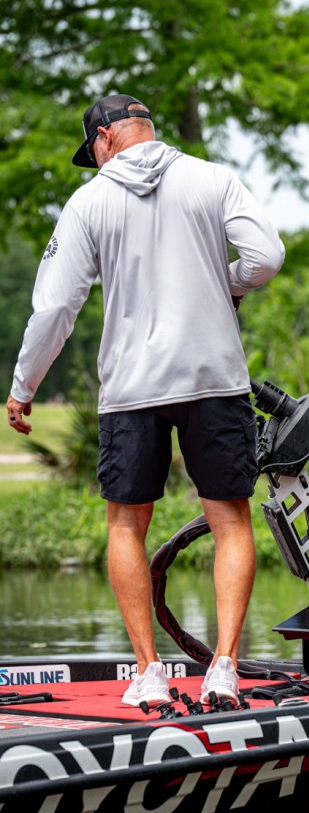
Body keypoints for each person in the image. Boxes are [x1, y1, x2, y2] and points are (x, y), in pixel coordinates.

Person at [6, 93, 285, 710]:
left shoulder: (89, 201)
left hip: (133, 388)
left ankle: (150, 672)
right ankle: (224, 668)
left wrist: (24, 385)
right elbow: (267, 257)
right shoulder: (212, 178)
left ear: (104, 138)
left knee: (126, 525)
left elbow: (55, 307)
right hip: (215, 379)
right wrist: (228, 282)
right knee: (230, 520)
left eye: (93, 152)